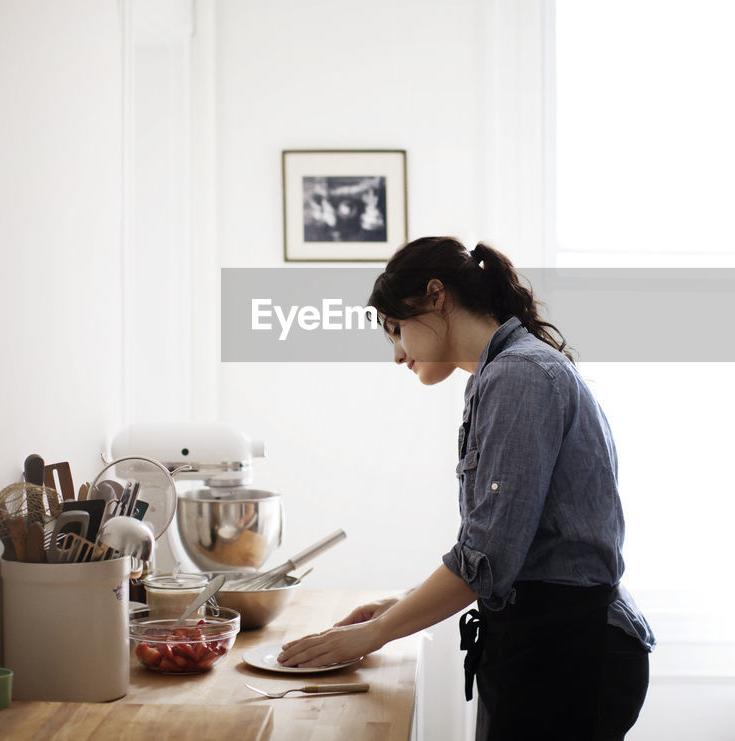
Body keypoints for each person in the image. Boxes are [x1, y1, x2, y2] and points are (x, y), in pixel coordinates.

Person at [277, 236, 654, 740]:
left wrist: (374, 634)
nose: (396, 354)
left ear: (436, 296)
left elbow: (488, 559)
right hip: (551, 645)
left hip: (569, 656)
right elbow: (497, 549)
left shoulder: (519, 376)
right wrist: (398, 606)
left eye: (396, 330)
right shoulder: (501, 373)